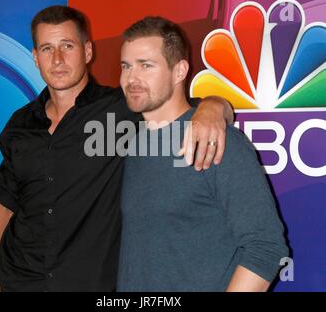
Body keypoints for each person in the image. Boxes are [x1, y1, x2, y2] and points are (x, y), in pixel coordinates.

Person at [0, 6, 233, 292]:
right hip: (16, 281)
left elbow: (187, 108)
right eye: (47, 49)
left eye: (67, 46)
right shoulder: (19, 123)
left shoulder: (122, 109)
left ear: (87, 52)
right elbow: (4, 202)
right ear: (35, 58)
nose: (57, 59)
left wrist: (213, 107)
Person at [117, 16, 289, 292]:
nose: (131, 78)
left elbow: (266, 247)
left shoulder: (220, 140)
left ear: (179, 71)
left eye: (146, 66)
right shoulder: (133, 142)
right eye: (126, 66)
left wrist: (214, 106)